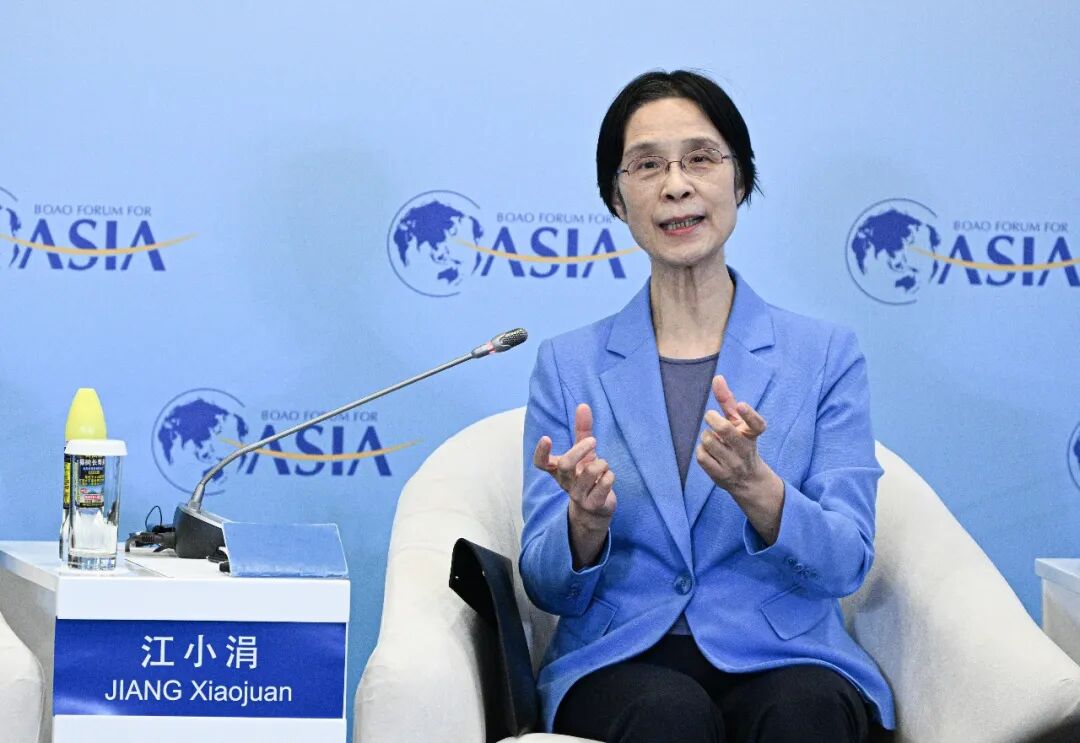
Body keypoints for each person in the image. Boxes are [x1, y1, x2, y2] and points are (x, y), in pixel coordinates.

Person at [519, 70, 895, 743]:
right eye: (647, 165)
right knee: (668, 714)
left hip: (784, 652)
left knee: (806, 710)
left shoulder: (824, 356)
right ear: (616, 198)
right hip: (621, 658)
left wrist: (759, 490)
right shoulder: (567, 364)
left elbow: (845, 563)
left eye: (700, 158)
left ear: (740, 179)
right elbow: (548, 588)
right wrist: (584, 524)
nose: (676, 185)